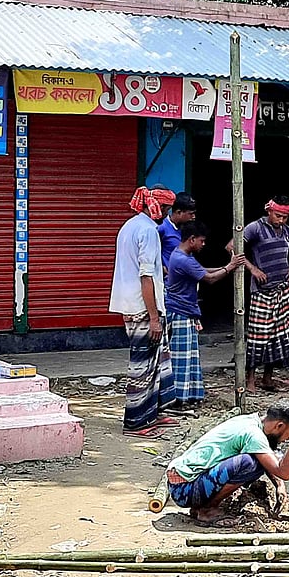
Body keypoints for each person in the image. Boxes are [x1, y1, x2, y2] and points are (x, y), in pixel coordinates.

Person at [166, 399, 289, 526]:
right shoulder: (254, 435)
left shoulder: (250, 421)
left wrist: (279, 485)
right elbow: (284, 472)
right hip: (184, 490)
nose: (287, 439)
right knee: (249, 464)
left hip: (181, 485)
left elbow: (267, 458)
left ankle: (200, 507)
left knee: (255, 461)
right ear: (279, 426)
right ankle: (206, 510)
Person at [109, 184, 181, 438]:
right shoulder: (149, 231)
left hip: (130, 302)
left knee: (155, 362)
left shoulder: (130, 226)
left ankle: (152, 413)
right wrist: (154, 317)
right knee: (143, 365)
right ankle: (136, 421)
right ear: (161, 207)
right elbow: (146, 275)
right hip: (142, 306)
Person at [166, 221, 246, 411]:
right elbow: (208, 278)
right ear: (192, 239)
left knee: (190, 357)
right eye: (201, 241)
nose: (203, 244)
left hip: (185, 311)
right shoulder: (182, 259)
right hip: (180, 311)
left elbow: (202, 271)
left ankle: (189, 394)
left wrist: (227, 266)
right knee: (181, 359)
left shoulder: (183, 256)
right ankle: (177, 399)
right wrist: (229, 267)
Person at [229, 195, 289, 392]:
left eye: (284, 217)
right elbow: (232, 246)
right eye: (278, 216)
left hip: (282, 291)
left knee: (279, 335)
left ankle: (268, 378)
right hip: (262, 292)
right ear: (269, 211)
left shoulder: (287, 232)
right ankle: (250, 380)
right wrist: (252, 269)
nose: (281, 220)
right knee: (258, 336)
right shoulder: (255, 228)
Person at [158, 192, 197, 270]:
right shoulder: (162, 228)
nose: (194, 217)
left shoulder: (187, 229)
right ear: (179, 212)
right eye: (191, 214)